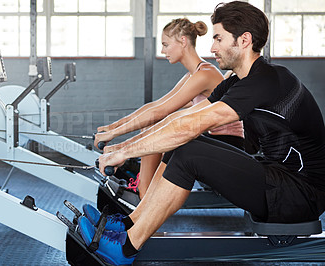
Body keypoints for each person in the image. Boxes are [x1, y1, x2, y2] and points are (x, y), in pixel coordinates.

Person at [78, 1, 325, 265]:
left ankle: (125, 247)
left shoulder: (266, 80)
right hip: (276, 176)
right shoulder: (236, 81)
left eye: (218, 38)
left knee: (190, 150)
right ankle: (129, 223)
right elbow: (181, 118)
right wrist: (120, 147)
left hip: (301, 194)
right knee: (183, 145)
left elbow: (189, 126)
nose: (212, 48)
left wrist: (124, 151)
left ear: (244, 40)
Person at [94, 18, 244, 201]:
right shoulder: (193, 74)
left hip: (227, 144)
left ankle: (143, 198)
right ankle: (144, 193)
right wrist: (113, 128)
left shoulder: (206, 74)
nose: (163, 50)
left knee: (156, 126)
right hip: (211, 139)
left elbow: (160, 112)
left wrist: (115, 141)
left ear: (183, 41)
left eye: (166, 44)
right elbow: (156, 105)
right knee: (153, 125)